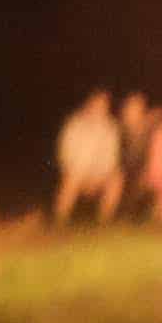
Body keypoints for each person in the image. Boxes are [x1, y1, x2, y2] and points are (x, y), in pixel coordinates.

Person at [53, 91, 124, 225]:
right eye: (96, 105)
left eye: (103, 106)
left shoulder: (111, 128)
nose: (99, 109)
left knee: (116, 178)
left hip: (99, 175)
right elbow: (65, 154)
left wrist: (97, 176)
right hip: (78, 173)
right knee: (70, 180)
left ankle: (104, 221)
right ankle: (60, 220)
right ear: (88, 105)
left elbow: (111, 157)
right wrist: (82, 174)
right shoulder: (74, 124)